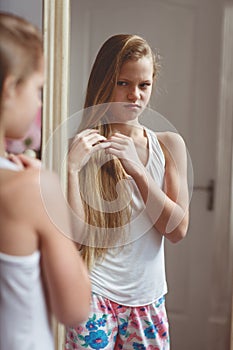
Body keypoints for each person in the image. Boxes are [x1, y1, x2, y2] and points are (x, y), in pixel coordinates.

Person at [66, 34, 189, 349]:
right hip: (93, 293)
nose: (134, 95)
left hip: (147, 299)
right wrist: (71, 170)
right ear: (105, 82)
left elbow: (176, 231)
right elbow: (79, 238)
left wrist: (137, 170)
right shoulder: (81, 147)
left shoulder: (168, 144)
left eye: (144, 85)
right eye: (123, 83)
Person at [0, 12, 91, 350]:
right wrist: (49, 188)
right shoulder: (32, 188)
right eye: (38, 88)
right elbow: (75, 309)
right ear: (10, 88)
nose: (40, 102)